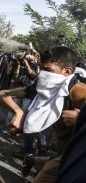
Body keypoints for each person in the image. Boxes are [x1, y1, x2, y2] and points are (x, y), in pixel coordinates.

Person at [20, 46, 86, 182]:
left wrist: (80, 118)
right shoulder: (52, 90)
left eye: (48, 70)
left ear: (67, 71)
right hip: (67, 154)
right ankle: (33, 159)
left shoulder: (78, 90)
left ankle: (33, 159)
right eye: (42, 69)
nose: (42, 75)